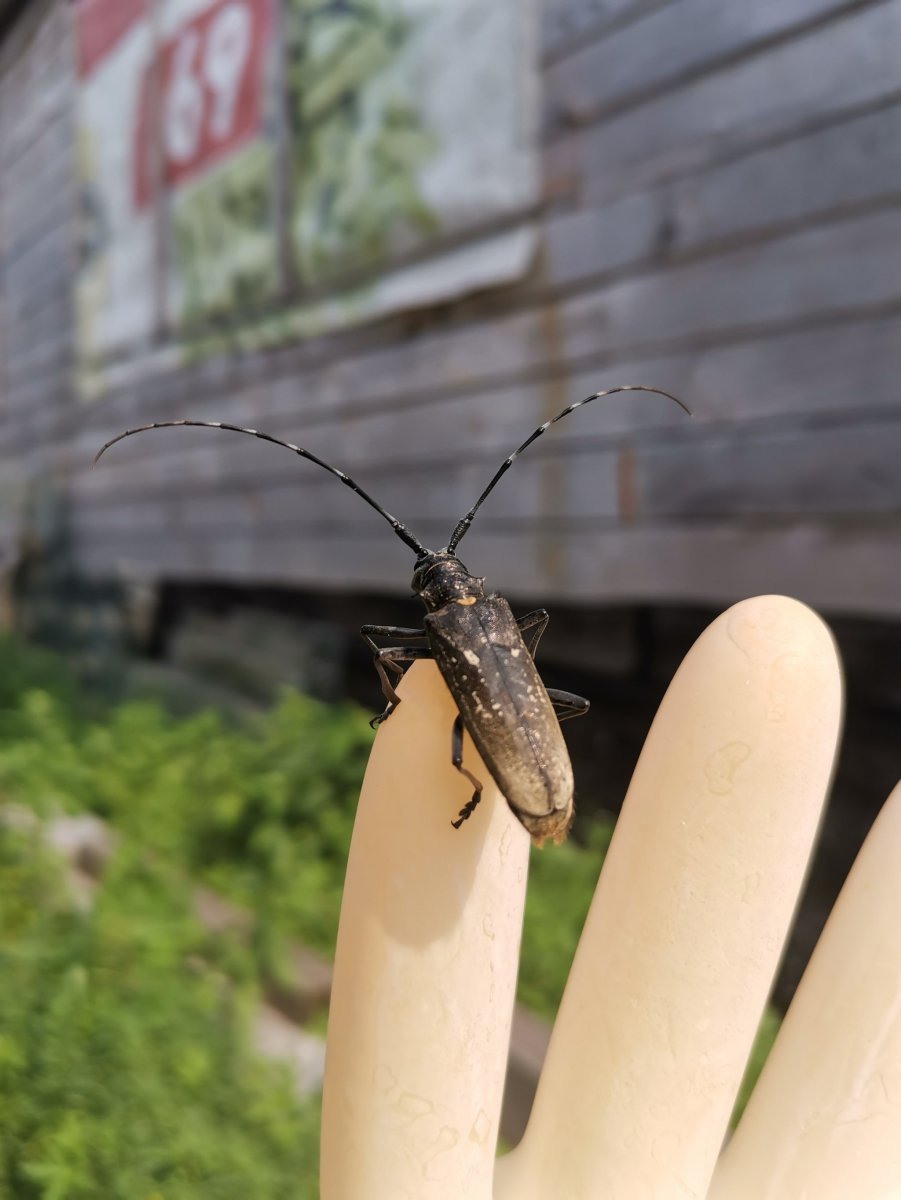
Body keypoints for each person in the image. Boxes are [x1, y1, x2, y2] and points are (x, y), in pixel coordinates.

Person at [320, 595, 901, 1198]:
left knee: (412, 680)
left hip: (520, 750)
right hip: (529, 741)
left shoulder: (444, 628)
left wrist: (394, 704)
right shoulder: (495, 613)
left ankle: (470, 786)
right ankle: (481, 787)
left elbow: (384, 644)